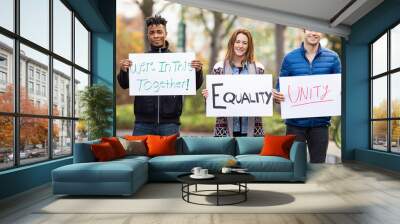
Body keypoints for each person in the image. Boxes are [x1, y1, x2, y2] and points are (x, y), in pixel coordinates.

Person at [118, 15, 204, 136]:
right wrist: (124, 70)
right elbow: (124, 84)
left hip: (170, 124)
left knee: (169, 155)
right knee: (138, 154)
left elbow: (195, 86)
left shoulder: (179, 61)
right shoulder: (139, 61)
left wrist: (198, 71)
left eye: (159, 32)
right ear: (148, 35)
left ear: (165, 33)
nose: (156, 35)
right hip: (142, 124)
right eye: (152, 32)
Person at [272, 29, 341, 163]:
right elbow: (281, 85)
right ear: (303, 30)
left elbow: (339, 86)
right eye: (310, 29)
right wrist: (277, 95)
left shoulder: (333, 58)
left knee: (318, 168)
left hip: (320, 125)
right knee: (295, 166)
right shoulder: (289, 58)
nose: (314, 33)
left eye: (317, 29)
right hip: (294, 125)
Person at [202, 29, 265, 137]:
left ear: (249, 46)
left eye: (245, 43)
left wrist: (269, 94)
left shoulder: (258, 69)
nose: (240, 45)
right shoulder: (219, 68)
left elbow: (263, 100)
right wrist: (207, 96)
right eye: (238, 42)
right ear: (232, 43)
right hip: (224, 130)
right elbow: (212, 102)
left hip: (252, 130)